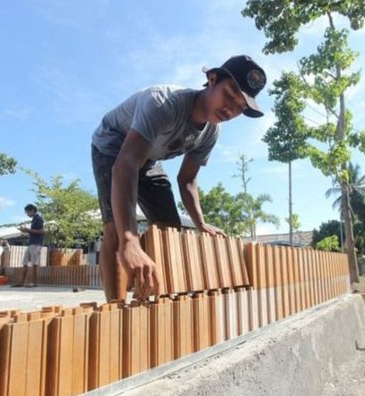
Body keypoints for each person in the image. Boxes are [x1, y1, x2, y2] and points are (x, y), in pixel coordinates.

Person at [91, 54, 267, 303]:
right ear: (212, 79)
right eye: (229, 94)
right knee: (117, 230)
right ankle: (115, 308)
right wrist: (130, 239)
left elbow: (187, 180)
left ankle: (148, 294)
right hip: (114, 147)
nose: (231, 108)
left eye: (241, 106)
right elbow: (126, 164)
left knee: (169, 230)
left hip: (148, 158)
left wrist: (200, 223)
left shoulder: (211, 132)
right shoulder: (164, 103)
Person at [12, 203, 45, 287]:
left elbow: (42, 231)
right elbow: (34, 231)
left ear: (32, 210)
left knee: (35, 263)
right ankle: (22, 282)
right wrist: (27, 231)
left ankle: (35, 283)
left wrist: (28, 230)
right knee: (25, 262)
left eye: (27, 212)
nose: (27, 214)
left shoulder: (38, 218)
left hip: (36, 244)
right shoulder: (34, 219)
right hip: (31, 243)